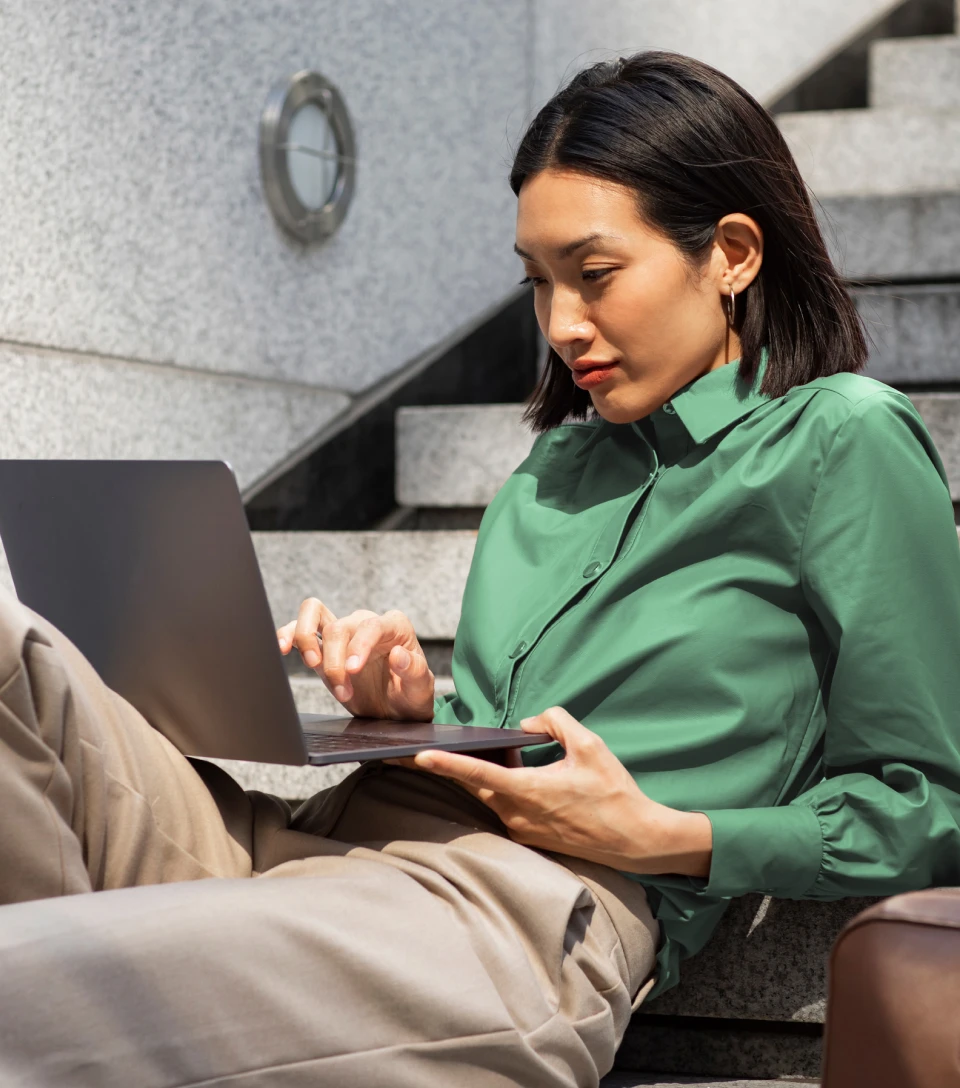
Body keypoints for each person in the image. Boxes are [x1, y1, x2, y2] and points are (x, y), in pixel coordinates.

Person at [2, 50, 960, 1088]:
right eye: (539, 282)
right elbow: (512, 724)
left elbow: (925, 801)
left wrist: (670, 833)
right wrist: (406, 702)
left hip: (509, 920)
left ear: (730, 253)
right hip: (322, 844)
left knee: (35, 973)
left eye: (593, 275)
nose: (560, 325)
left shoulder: (841, 441)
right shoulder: (554, 467)